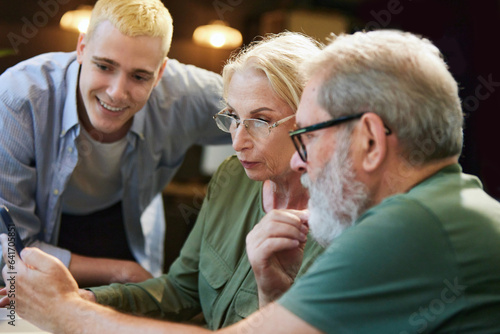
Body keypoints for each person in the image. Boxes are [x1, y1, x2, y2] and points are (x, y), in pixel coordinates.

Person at [3, 29, 500, 333]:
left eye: (308, 132)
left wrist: (66, 312)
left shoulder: (407, 226)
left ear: (369, 139)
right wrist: (86, 300)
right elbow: (186, 292)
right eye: (231, 119)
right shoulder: (439, 208)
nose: (303, 160)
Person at [81, 32, 324, 328]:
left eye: (260, 121)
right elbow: (180, 290)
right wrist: (91, 300)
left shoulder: (343, 222)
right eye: (233, 117)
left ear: (311, 121)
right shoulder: (232, 176)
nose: (237, 141)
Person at [0, 0, 229, 287]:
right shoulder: (18, 100)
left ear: (159, 73)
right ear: (81, 48)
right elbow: (11, 249)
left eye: (139, 76)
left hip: (127, 226)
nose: (117, 93)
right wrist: (126, 273)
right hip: (45, 238)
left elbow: (274, 109)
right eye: (105, 66)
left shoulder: (183, 94)